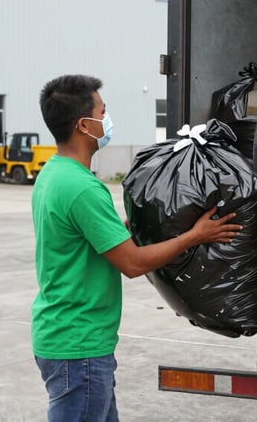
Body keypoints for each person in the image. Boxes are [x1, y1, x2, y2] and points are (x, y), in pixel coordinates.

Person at [31, 74, 242, 421]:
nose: (107, 119)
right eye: (103, 111)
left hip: (67, 338)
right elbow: (131, 264)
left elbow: (95, 239)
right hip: (78, 345)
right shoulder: (82, 188)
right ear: (85, 125)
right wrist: (196, 235)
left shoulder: (53, 175)